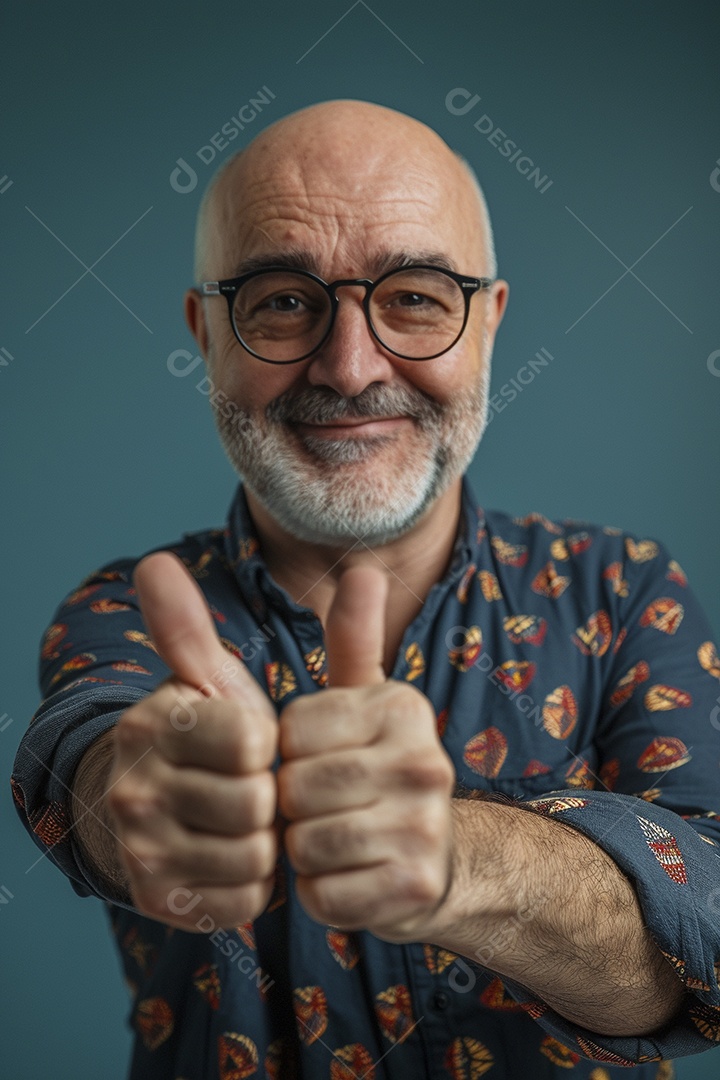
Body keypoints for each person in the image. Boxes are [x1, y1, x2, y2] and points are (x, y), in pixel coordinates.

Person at [11, 99, 720, 1080]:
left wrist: (464, 863)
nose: (349, 368)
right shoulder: (132, 608)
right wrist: (151, 802)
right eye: (283, 299)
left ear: (491, 326)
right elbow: (87, 765)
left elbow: (704, 947)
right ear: (205, 331)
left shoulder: (627, 592)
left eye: (417, 297)